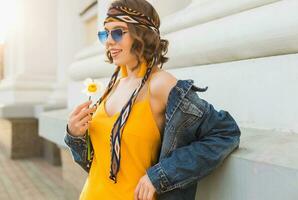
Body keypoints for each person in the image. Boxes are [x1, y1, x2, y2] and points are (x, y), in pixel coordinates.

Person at [64, 0, 241, 200]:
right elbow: (98, 163)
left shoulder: (160, 84)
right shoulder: (113, 85)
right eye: (105, 33)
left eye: (118, 32)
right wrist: (75, 134)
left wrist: (159, 176)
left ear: (142, 34)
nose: (109, 41)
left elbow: (225, 132)